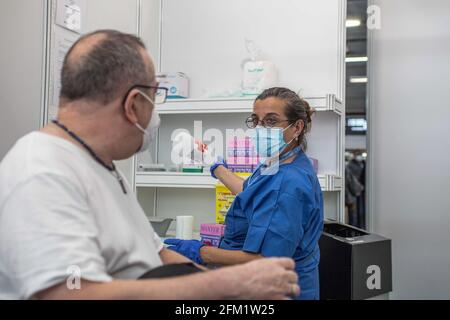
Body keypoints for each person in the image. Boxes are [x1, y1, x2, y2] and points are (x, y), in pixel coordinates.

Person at [0, 30, 299, 300]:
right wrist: (225, 285)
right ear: (132, 105)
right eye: (155, 97)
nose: (155, 113)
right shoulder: (43, 171)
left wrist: (221, 286)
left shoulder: (99, 165)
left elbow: (155, 252)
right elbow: (71, 292)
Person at [165, 88, 324, 300]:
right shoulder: (280, 161)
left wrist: (202, 253)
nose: (260, 128)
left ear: (297, 127)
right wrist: (213, 163)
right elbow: (250, 192)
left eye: (270, 121)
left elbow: (266, 259)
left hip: (280, 290)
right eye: (256, 120)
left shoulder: (288, 182)